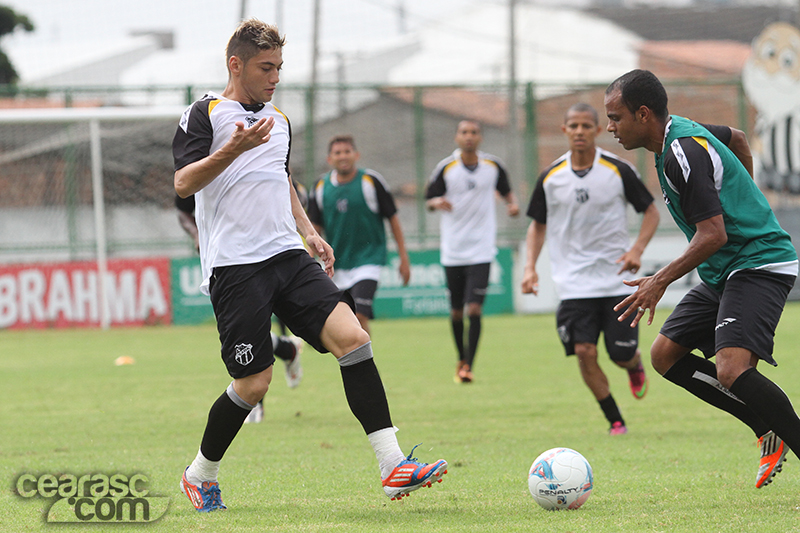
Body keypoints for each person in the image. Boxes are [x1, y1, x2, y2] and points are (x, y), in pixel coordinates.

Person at [171, 19, 447, 512]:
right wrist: (231, 149)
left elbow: (280, 177)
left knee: (355, 339)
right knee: (254, 384)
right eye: (265, 67)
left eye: (279, 66)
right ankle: (200, 473)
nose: (274, 76)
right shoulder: (206, 113)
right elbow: (183, 184)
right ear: (236, 64)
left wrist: (308, 230)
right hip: (235, 268)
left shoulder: (279, 119)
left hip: (288, 255)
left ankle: (392, 465)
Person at [604, 69, 800, 488]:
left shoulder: (682, 153)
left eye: (615, 117)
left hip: (759, 261)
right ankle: (767, 431)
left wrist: (659, 280)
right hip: (725, 268)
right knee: (664, 356)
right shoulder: (679, 134)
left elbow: (713, 234)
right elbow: (739, 138)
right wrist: (745, 196)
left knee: (730, 369)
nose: (610, 127)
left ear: (642, 114)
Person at [521, 103, 660, 435]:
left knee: (619, 355)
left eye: (586, 125)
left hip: (616, 281)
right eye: (573, 125)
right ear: (564, 130)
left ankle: (633, 364)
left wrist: (636, 249)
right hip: (572, 283)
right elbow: (537, 225)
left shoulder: (618, 169)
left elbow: (651, 212)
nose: (579, 131)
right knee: (584, 351)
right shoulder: (551, 177)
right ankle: (615, 419)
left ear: (598, 131)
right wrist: (529, 267)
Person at [174, 192, 304, 420]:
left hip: (272, 255)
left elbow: (297, 205)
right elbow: (183, 207)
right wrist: (197, 235)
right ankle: (286, 349)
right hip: (224, 261)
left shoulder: (273, 170)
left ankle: (255, 405)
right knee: (241, 333)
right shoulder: (204, 164)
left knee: (253, 328)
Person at [425, 119, 519, 383]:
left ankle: (468, 366)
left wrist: (512, 205)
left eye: (474, 132)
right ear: (457, 137)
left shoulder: (493, 166)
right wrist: (437, 202)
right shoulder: (446, 168)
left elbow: (508, 192)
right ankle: (460, 358)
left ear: (480, 137)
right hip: (453, 250)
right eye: (464, 132)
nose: (469, 137)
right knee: (456, 312)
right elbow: (429, 199)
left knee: (474, 309)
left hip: (481, 249)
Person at [307, 134, 411, 335]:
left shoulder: (370, 181)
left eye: (347, 152)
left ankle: (366, 366)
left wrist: (403, 258)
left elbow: (393, 219)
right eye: (338, 153)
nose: (343, 156)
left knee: (359, 315)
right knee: (345, 324)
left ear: (356, 155)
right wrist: (309, 262)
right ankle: (362, 364)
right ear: (330, 159)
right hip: (336, 265)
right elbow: (314, 229)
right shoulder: (320, 187)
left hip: (368, 260)